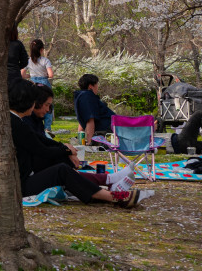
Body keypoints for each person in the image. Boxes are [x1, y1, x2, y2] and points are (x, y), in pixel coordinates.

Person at [10, 81, 139, 208]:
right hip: (20, 185)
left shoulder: (17, 121)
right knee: (62, 170)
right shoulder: (18, 124)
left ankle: (108, 187)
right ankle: (114, 196)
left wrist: (66, 149)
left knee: (62, 167)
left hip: (21, 179)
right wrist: (66, 150)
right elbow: (43, 150)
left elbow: (42, 140)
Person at [74, 74, 114, 144]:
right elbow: (90, 119)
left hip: (110, 123)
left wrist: (81, 139)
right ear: (90, 86)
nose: (97, 87)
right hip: (111, 124)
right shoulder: (88, 96)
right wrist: (90, 142)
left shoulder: (80, 96)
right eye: (96, 84)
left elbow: (82, 120)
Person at [27, 39, 54, 132]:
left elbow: (22, 74)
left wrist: (30, 75)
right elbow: (50, 75)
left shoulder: (28, 61)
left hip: (33, 83)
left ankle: (35, 126)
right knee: (48, 105)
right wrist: (44, 74)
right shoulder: (45, 60)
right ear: (42, 50)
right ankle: (47, 128)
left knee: (34, 104)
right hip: (44, 84)